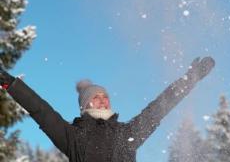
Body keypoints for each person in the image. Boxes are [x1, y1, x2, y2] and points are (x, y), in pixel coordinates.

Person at [0, 56, 215, 162]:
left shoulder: (127, 133)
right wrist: (11, 84)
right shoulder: (74, 138)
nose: (103, 100)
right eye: (96, 97)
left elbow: (160, 107)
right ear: (85, 106)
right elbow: (41, 111)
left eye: (105, 97)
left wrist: (190, 78)